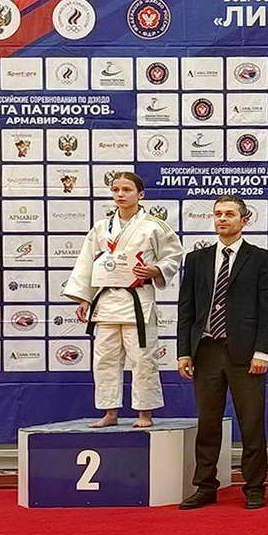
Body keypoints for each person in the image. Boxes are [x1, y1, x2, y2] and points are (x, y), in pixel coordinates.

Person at [177, 196, 268, 510]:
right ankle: (205, 486)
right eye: (218, 214)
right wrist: (184, 352)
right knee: (208, 423)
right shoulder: (197, 260)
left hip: (246, 354)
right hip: (206, 351)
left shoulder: (260, 258)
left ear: (244, 220)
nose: (222, 219)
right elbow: (186, 310)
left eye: (230, 214)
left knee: (251, 422)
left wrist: (263, 351)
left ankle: (254, 487)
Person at [63, 172, 183, 428]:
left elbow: (173, 255)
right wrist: (84, 298)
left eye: (127, 189)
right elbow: (86, 264)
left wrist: (155, 270)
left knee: (143, 359)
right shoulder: (101, 228)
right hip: (105, 300)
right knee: (104, 358)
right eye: (116, 189)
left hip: (137, 301)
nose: (120, 194)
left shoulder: (155, 226)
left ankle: (144, 413)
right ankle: (110, 412)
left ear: (140, 194)